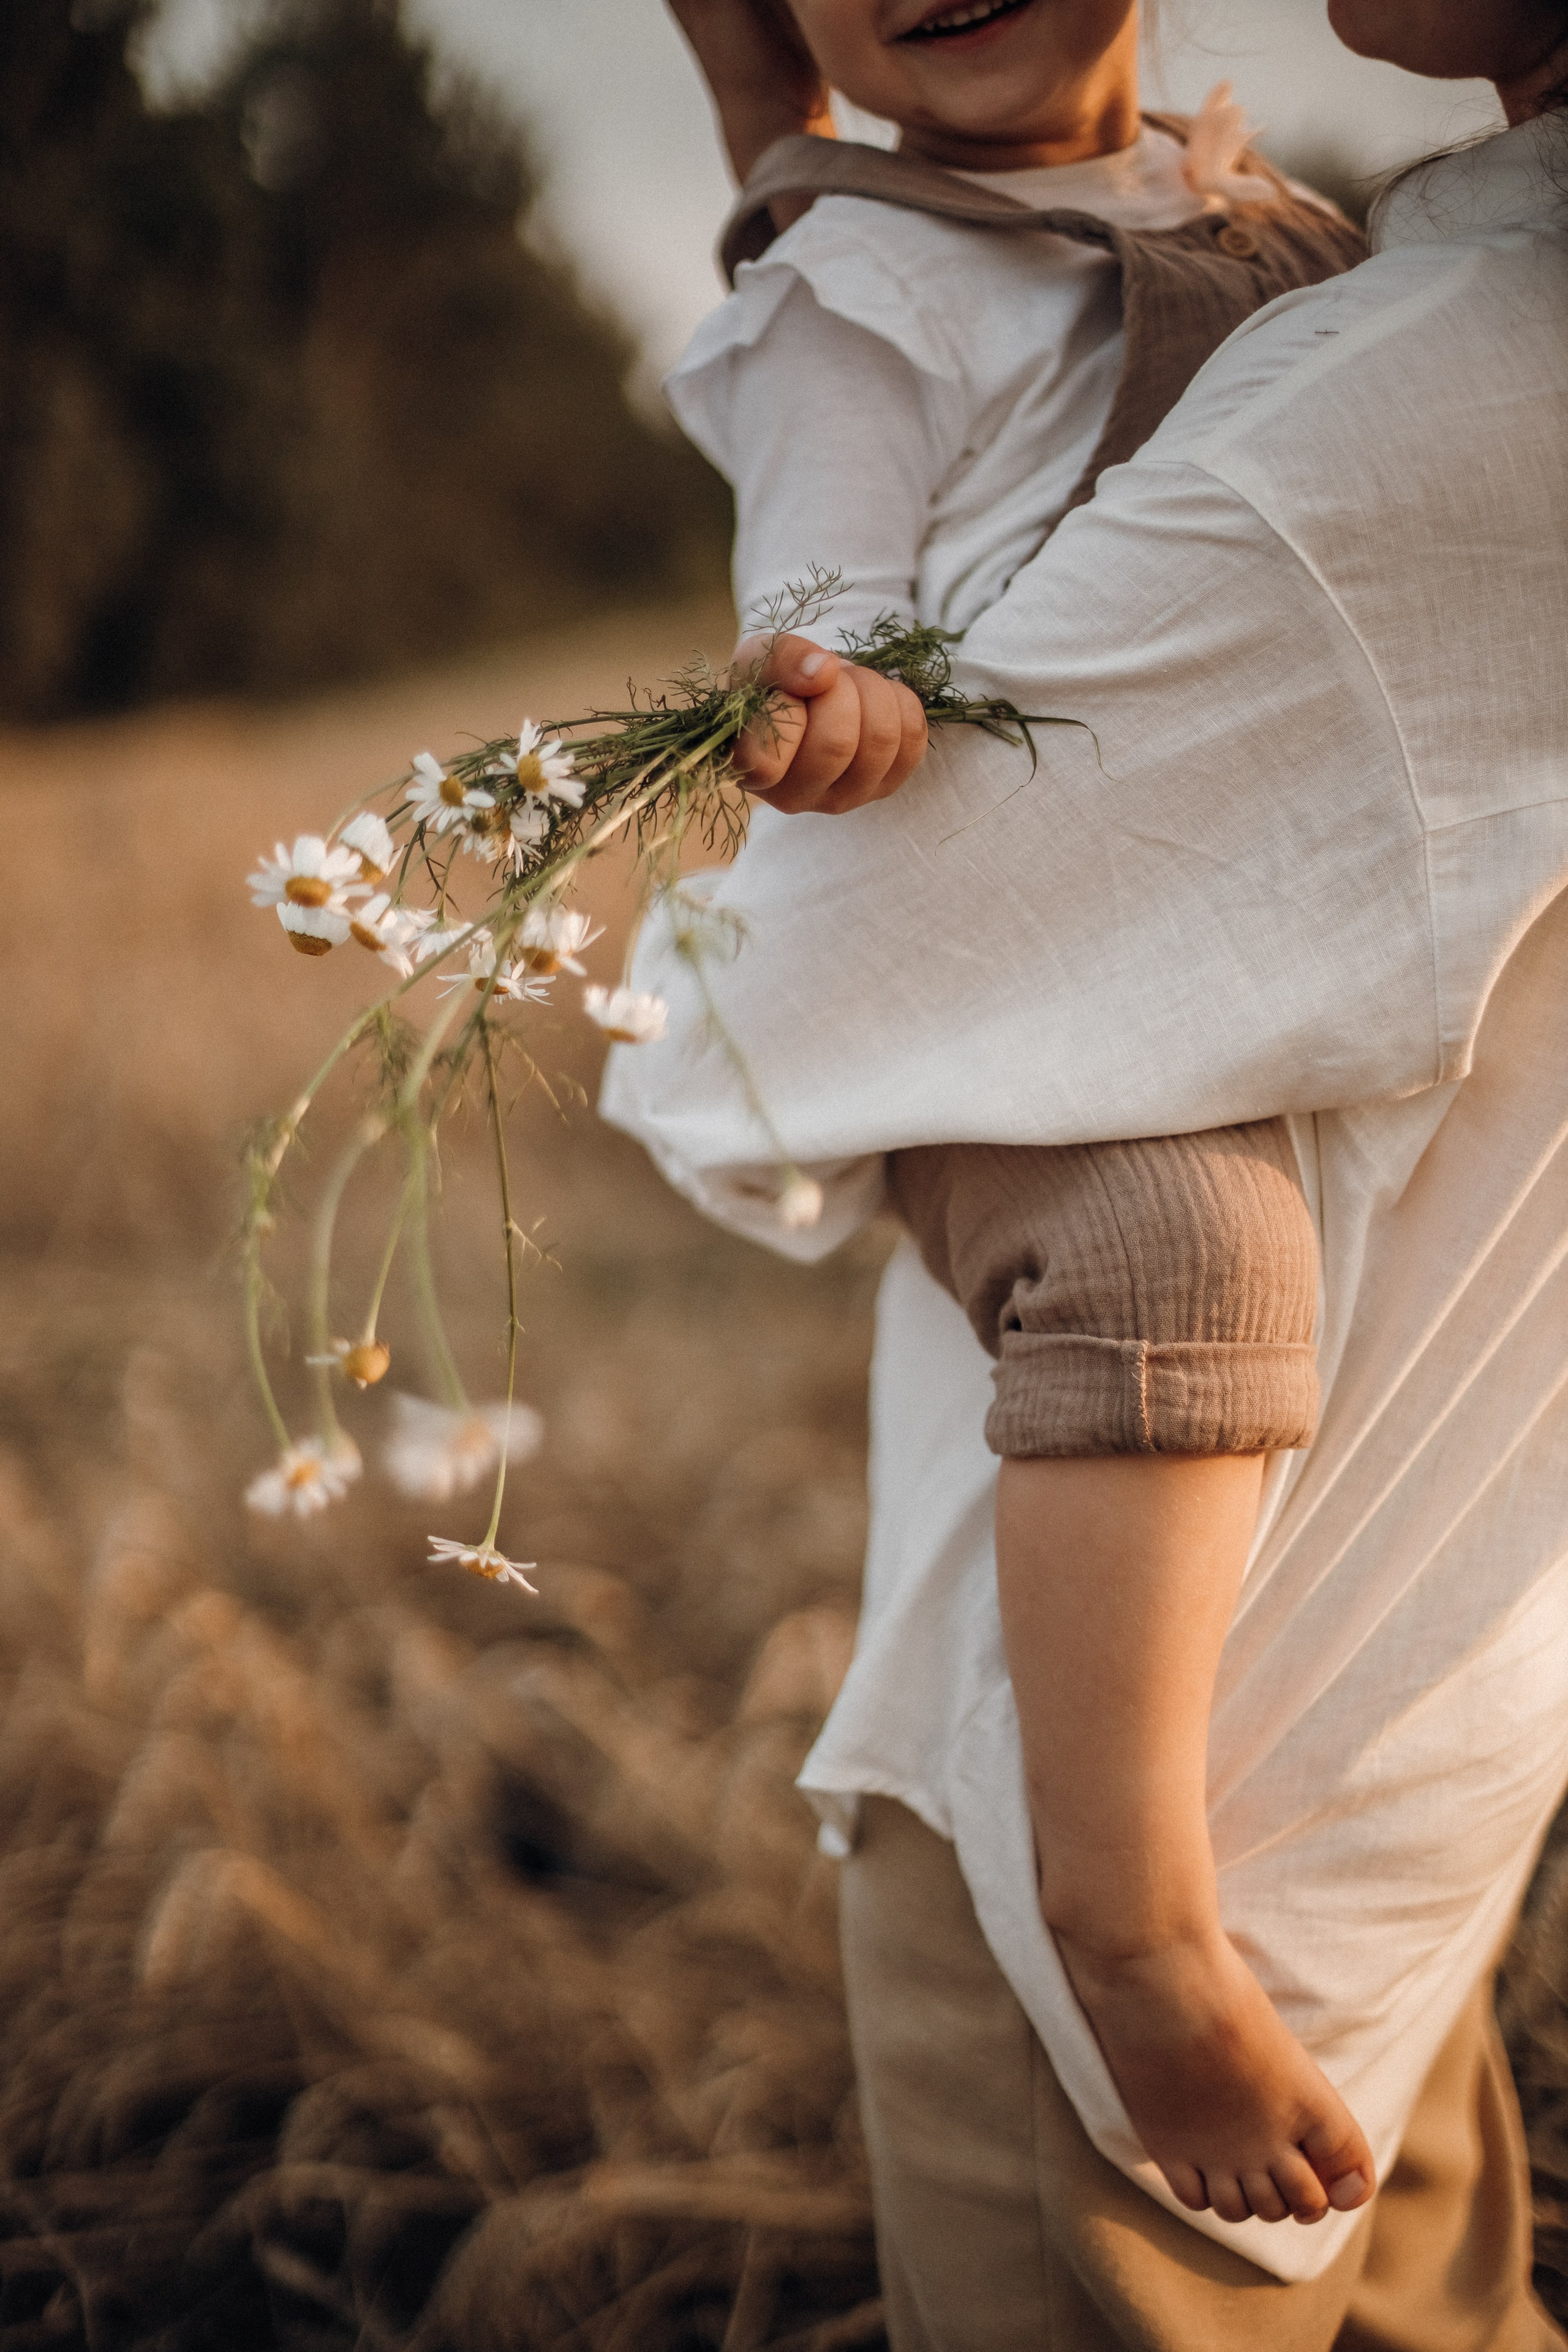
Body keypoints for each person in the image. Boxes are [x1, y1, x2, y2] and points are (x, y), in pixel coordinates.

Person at [606, 0, 1568, 2341]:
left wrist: (778, 135)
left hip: (1293, 1738)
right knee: (1172, 1250)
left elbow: (777, 990)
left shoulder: (1357, 305)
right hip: (1406, 1702)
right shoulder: (905, 274)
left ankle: (1131, 1901)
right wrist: (839, 684)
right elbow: (829, 492)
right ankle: (1131, 1912)